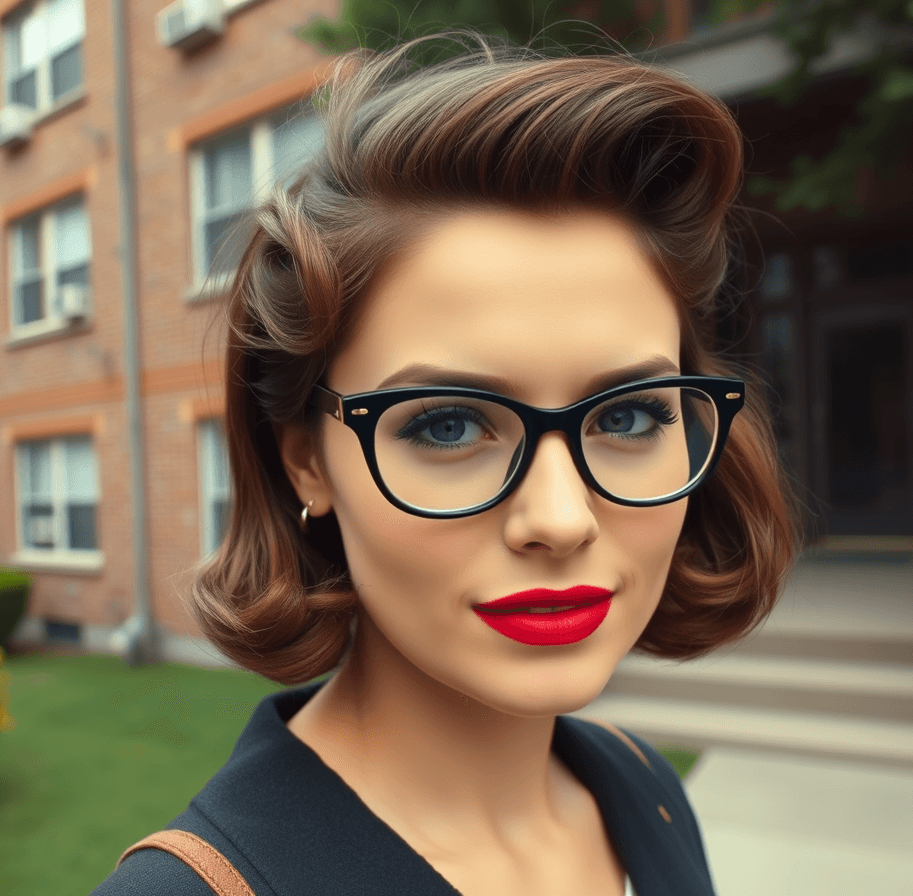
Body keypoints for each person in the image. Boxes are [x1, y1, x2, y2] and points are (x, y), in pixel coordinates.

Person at [92, 33, 800, 896]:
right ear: (306, 462)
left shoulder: (641, 788)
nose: (560, 518)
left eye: (627, 414)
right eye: (450, 426)